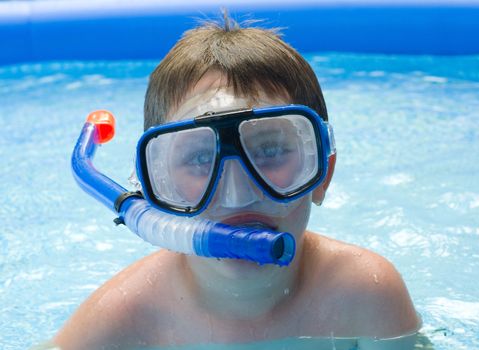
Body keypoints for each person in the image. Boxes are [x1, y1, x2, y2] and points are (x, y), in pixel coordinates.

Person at [54, 15, 420, 350]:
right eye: (199, 159)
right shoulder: (121, 321)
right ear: (157, 187)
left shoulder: (364, 294)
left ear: (322, 172)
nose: (238, 193)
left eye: (271, 149)